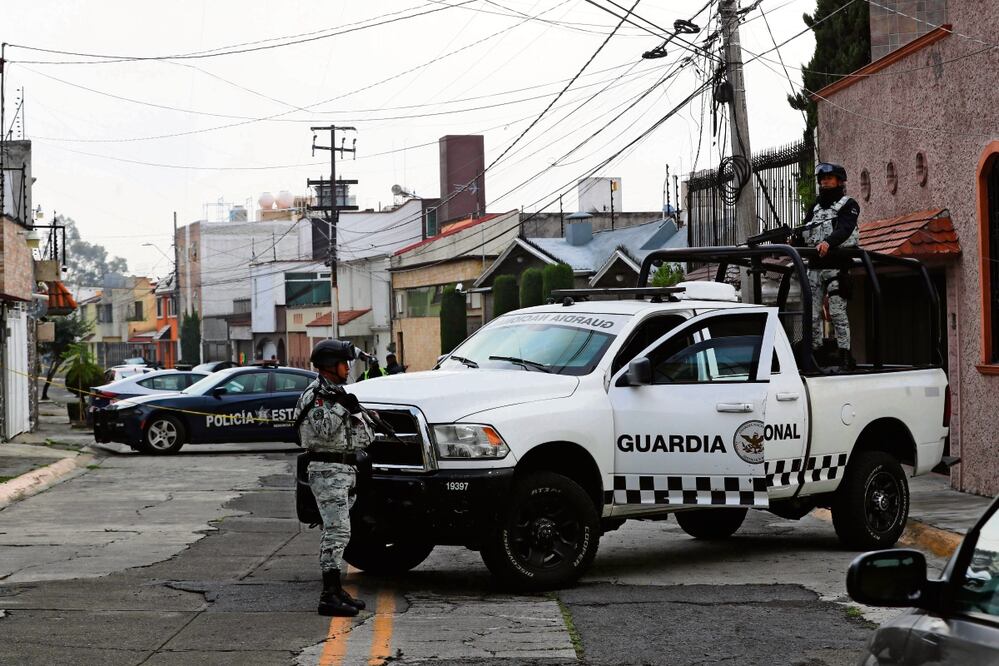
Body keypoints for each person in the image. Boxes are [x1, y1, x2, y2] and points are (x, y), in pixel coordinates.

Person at [293, 339, 375, 617]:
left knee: (340, 531)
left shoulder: (336, 393)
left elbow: (362, 435)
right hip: (327, 470)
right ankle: (328, 595)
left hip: (344, 470)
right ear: (330, 365)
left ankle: (336, 590)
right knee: (336, 532)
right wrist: (343, 407)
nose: (348, 368)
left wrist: (361, 415)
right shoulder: (317, 395)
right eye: (343, 363)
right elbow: (325, 428)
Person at [793, 162, 861, 369]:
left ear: (839, 181)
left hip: (836, 266)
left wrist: (829, 243)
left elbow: (846, 229)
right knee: (812, 314)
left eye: (829, 178)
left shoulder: (849, 204)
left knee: (837, 312)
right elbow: (804, 232)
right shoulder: (815, 207)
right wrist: (793, 242)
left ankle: (845, 355)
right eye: (822, 179)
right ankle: (815, 353)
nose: (824, 182)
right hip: (814, 267)